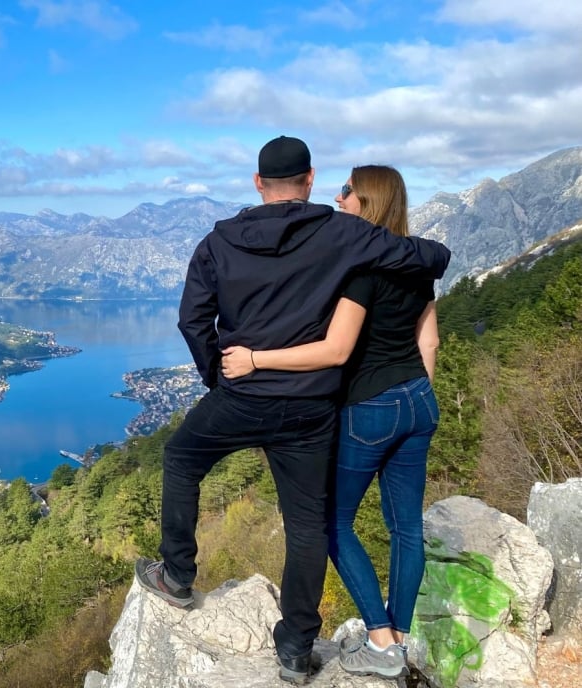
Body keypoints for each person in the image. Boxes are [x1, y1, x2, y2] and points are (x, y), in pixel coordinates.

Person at [131, 136, 450, 686]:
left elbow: (193, 320)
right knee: (307, 524)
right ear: (308, 180)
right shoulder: (342, 232)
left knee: (182, 460)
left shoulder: (218, 240)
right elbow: (433, 258)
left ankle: (178, 575)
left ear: (257, 182)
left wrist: (220, 374)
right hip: (310, 408)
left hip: (243, 395)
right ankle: (297, 649)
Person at [220, 165, 438, 680]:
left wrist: (255, 359)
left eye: (346, 191)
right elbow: (428, 341)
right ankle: (397, 641)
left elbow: (336, 350)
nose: (338, 198)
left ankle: (381, 643)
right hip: (419, 400)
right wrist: (415, 397)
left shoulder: (361, 269)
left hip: (370, 407)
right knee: (406, 525)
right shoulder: (416, 263)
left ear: (366, 201)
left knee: (332, 524)